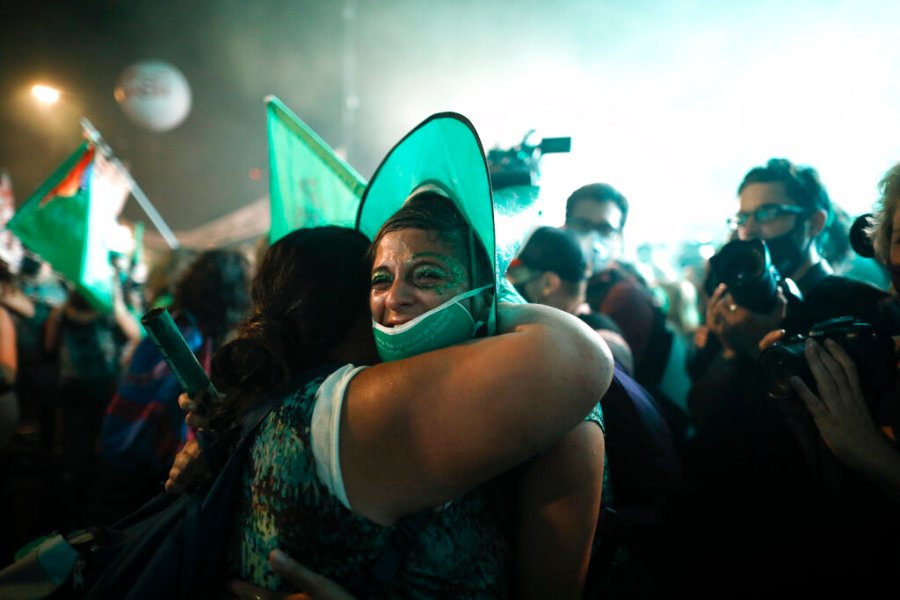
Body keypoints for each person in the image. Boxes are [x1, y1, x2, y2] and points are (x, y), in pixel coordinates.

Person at [683, 157, 895, 595]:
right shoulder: (733, 304)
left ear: (814, 222)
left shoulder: (855, 304)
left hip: (813, 537)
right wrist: (730, 352)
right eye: (743, 218)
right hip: (728, 521)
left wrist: (768, 353)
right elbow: (700, 413)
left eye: (768, 213)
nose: (750, 231)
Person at [99, 248, 251, 517]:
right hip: (156, 461)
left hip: (142, 455)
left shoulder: (182, 326)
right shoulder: (194, 337)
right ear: (235, 292)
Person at [564, 183, 692, 452]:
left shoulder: (626, 296)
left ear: (619, 238)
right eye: (582, 225)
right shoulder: (571, 282)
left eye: (605, 229)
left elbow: (606, 384)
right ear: (566, 227)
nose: (592, 237)